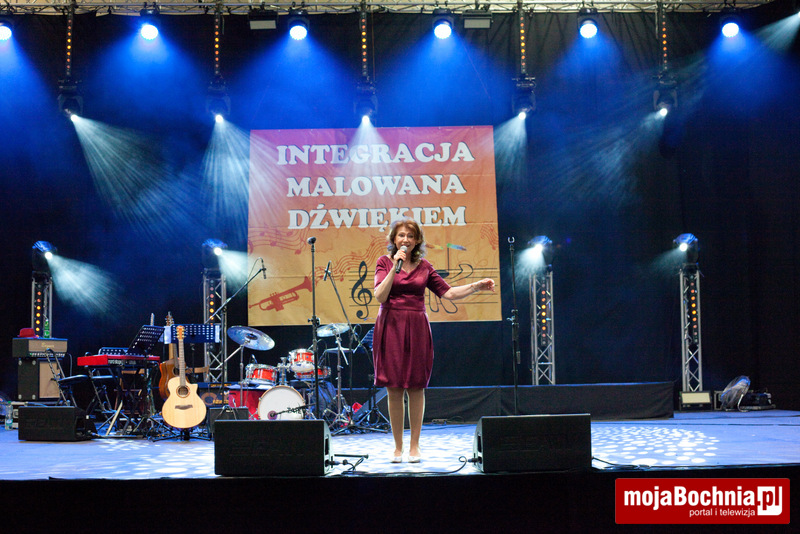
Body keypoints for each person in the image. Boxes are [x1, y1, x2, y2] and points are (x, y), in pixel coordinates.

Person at [372, 218, 495, 463]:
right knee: (394, 388)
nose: (405, 239)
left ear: (417, 240)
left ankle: (414, 446)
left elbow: (448, 293)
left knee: (416, 386)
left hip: (417, 327)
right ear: (394, 239)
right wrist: (395, 266)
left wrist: (476, 286)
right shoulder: (384, 262)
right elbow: (380, 296)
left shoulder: (425, 266)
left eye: (410, 236)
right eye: (401, 235)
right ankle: (397, 447)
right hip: (391, 326)